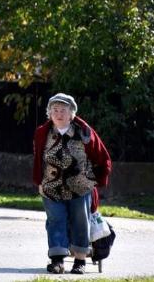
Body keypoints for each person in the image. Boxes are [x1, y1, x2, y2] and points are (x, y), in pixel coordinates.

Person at [33, 93, 112, 275]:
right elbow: (38, 159)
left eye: (63, 110)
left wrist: (97, 180)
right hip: (51, 187)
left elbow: (101, 156)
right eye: (55, 110)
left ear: (72, 114)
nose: (58, 113)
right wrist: (39, 182)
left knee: (80, 222)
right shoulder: (42, 133)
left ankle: (80, 260)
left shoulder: (84, 132)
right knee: (55, 221)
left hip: (80, 187)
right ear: (50, 114)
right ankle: (57, 260)